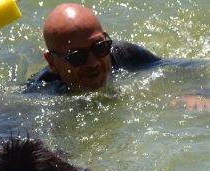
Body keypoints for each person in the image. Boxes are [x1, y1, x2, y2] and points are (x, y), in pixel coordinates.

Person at [25, 3, 210, 111]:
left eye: (99, 47)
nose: (93, 63)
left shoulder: (124, 55)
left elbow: (192, 69)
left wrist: (197, 93)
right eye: (77, 57)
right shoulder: (41, 91)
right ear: (52, 63)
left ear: (106, 39)